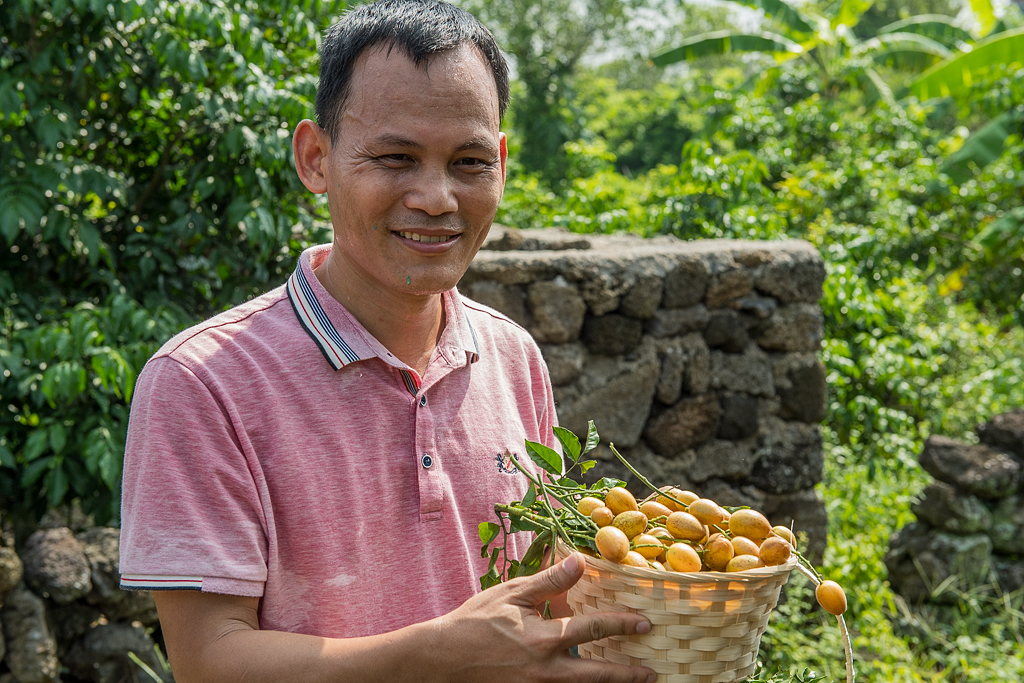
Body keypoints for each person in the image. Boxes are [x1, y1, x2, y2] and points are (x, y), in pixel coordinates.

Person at [118, 1, 656, 681]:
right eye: (396, 157)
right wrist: (441, 653)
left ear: (502, 161)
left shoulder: (512, 356)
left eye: (468, 162)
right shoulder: (203, 382)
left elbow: (540, 601)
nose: (436, 196)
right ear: (316, 158)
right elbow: (210, 659)